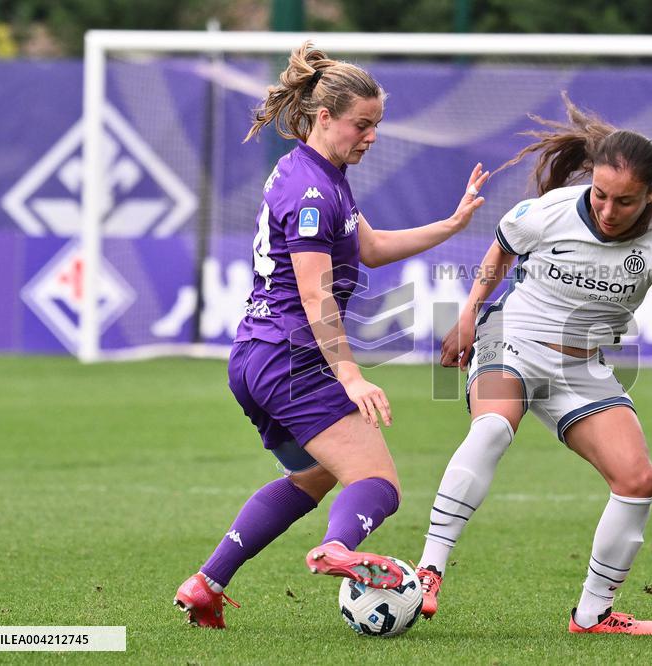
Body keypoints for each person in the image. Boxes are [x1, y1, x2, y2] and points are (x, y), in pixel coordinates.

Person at [174, 41, 490, 629]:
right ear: (325, 117)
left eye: (376, 125)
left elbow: (369, 248)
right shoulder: (314, 193)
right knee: (378, 483)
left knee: (314, 477)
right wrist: (350, 374)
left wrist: (451, 224)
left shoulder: (318, 172)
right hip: (292, 357)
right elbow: (316, 293)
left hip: (255, 358)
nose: (370, 136)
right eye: (361, 125)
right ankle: (338, 551)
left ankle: (206, 584)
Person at [414, 93, 652, 635]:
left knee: (638, 479)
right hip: (511, 342)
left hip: (581, 368)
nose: (606, 210)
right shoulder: (550, 210)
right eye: (600, 195)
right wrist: (467, 315)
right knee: (491, 429)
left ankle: (592, 615)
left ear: (650, 194)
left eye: (624, 202)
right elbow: (499, 253)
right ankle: (428, 572)